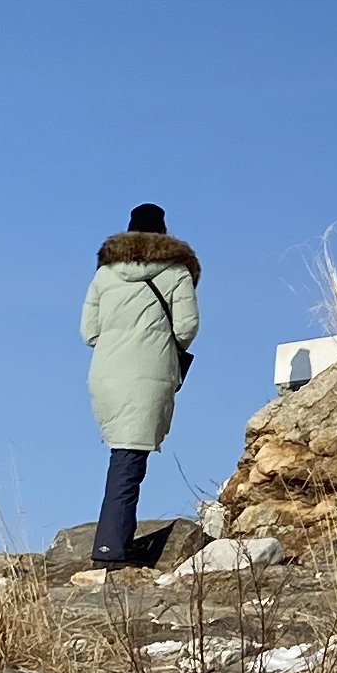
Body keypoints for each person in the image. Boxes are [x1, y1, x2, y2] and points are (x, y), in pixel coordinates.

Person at [78, 200, 200, 568]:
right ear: (163, 234)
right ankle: (110, 550)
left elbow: (88, 332)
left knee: (123, 453)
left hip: (106, 374)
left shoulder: (105, 275)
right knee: (128, 460)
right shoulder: (176, 273)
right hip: (149, 374)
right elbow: (186, 327)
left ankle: (113, 543)